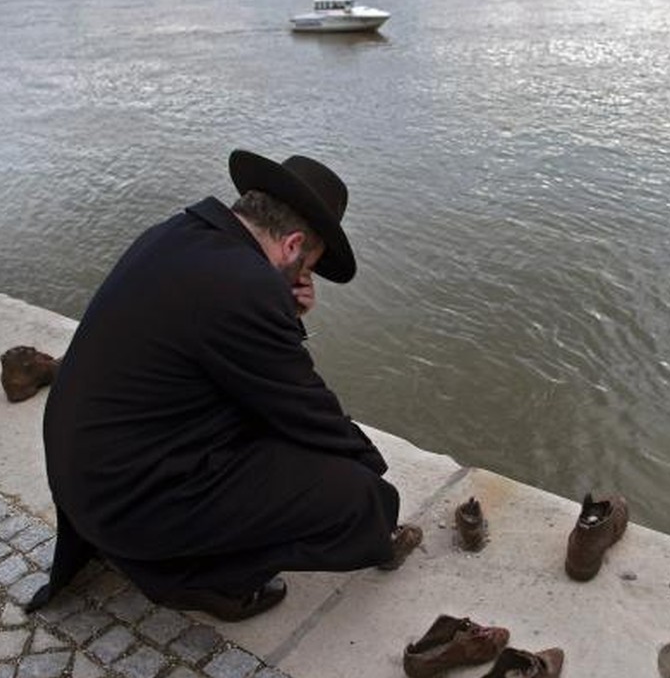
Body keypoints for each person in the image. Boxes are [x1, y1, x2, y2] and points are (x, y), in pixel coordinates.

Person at [29, 149, 420, 621]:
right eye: (308, 265)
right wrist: (371, 475)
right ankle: (201, 578)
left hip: (88, 477)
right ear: (294, 244)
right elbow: (304, 406)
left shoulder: (177, 235)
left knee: (273, 436)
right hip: (127, 499)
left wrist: (283, 308)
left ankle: (161, 548)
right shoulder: (244, 286)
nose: (305, 277)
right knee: (358, 501)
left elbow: (245, 359)